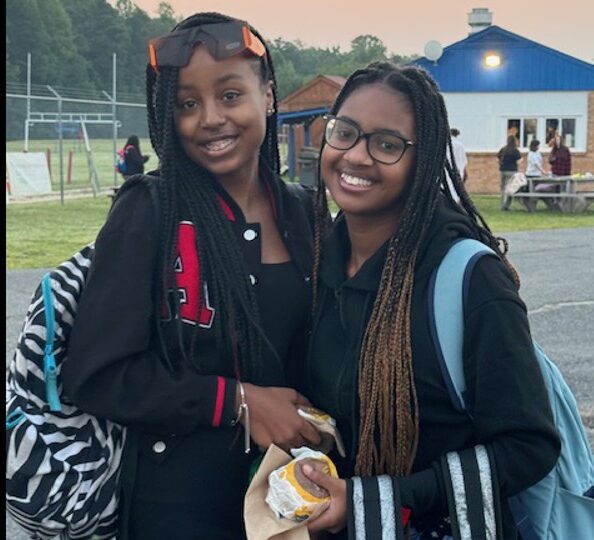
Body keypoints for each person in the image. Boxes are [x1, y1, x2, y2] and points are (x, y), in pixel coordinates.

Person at [62, 12, 321, 540]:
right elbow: (97, 376)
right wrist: (238, 400)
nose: (209, 118)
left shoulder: (307, 213)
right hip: (175, 511)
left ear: (268, 95)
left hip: (289, 503)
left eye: (230, 95)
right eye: (186, 103)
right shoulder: (148, 210)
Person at [297, 62, 560, 539]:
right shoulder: (318, 261)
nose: (356, 156)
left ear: (423, 161)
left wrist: (380, 499)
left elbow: (528, 447)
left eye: (386, 144)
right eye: (345, 132)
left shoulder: (469, 278)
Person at [497, 135, 522, 210]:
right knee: (510, 188)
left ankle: (503, 204)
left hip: (503, 170)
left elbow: (497, 159)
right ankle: (506, 205)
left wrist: (501, 164)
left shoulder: (503, 149)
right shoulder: (515, 150)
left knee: (503, 188)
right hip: (512, 171)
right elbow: (518, 161)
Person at [445, 128, 468, 204]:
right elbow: (463, 161)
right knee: (455, 189)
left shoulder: (444, 143)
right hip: (457, 170)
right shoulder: (460, 145)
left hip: (446, 169)